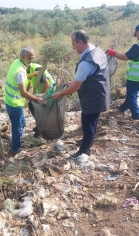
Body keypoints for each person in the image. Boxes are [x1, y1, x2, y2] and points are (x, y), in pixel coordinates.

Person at [52, 30, 110, 158]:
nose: (73, 47)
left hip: (93, 97)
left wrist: (60, 94)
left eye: (73, 44)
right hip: (100, 92)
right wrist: (73, 81)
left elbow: (76, 87)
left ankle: (85, 150)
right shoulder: (97, 51)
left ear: (80, 42)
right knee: (92, 121)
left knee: (88, 123)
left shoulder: (85, 62)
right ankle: (87, 141)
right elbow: (90, 74)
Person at [106, 22, 139, 120]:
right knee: (132, 94)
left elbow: (125, 57)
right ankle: (123, 108)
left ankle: (136, 115)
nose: (137, 37)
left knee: (131, 96)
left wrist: (113, 53)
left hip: (135, 77)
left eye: (136, 35)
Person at [5, 47, 42, 155]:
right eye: (30, 58)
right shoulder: (20, 71)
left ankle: (17, 142)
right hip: (14, 103)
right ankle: (15, 149)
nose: (32, 61)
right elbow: (23, 93)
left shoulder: (16, 62)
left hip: (12, 101)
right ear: (22, 56)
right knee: (18, 127)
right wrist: (38, 99)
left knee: (22, 123)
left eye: (33, 58)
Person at [26, 63, 54, 137]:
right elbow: (29, 83)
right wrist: (25, 93)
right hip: (41, 92)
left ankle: (41, 128)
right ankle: (41, 126)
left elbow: (47, 84)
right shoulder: (27, 70)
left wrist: (37, 97)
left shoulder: (36, 69)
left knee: (33, 105)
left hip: (49, 91)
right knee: (32, 105)